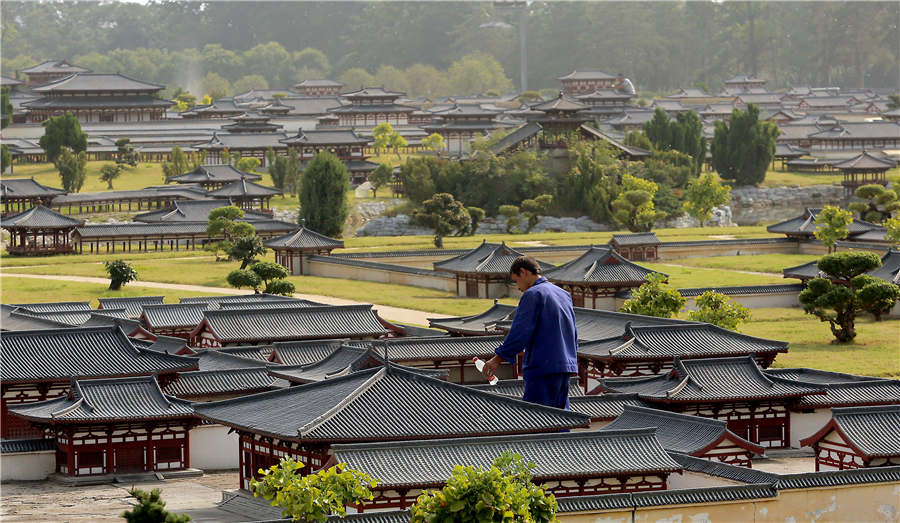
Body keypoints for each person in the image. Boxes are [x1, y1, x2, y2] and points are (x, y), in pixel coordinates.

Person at [480, 256, 578, 409]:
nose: (518, 287)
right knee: (562, 419)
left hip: (542, 367)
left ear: (523, 272)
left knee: (538, 420)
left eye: (516, 281)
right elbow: (573, 332)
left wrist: (497, 359)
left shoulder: (533, 294)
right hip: (565, 366)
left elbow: (520, 332)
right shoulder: (563, 294)